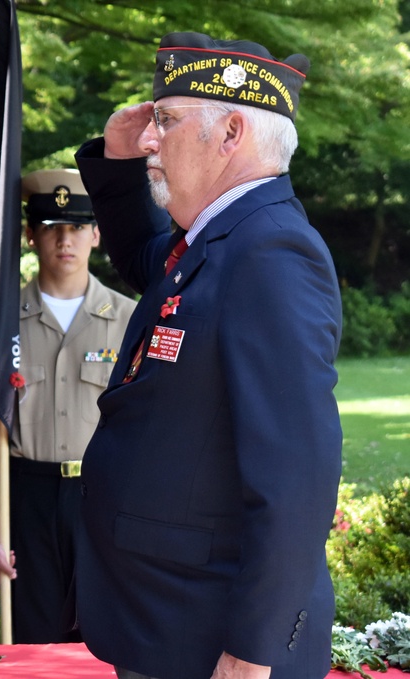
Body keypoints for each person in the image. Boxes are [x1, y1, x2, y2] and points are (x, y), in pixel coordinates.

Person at [73, 32, 343, 679]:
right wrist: (112, 163)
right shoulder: (215, 239)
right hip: (168, 622)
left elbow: (297, 479)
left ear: (230, 134)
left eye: (166, 121)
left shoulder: (271, 254)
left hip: (211, 643)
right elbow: (146, 261)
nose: (150, 139)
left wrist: (253, 651)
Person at [0, 169, 136, 643]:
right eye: (50, 226)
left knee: (103, 644)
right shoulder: (1, 324)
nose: (64, 239)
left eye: (77, 227)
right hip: (26, 500)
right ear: (29, 234)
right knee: (32, 638)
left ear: (96, 233)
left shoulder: (129, 320)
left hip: (103, 499)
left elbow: (147, 432)